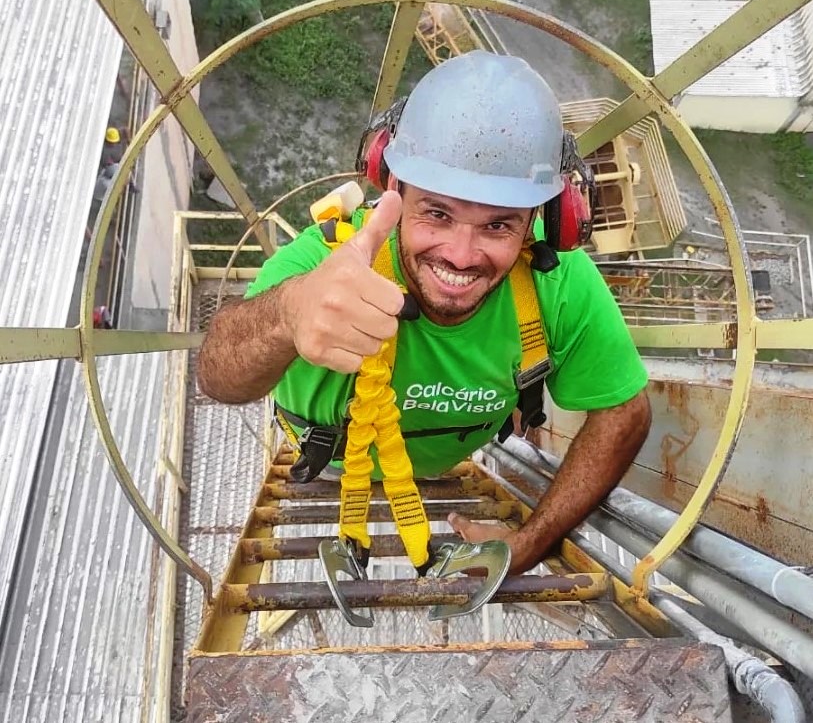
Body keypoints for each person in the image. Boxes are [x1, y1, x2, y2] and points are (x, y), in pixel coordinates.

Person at [197, 51, 651, 575]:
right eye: (437, 213)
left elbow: (625, 412)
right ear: (394, 190)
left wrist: (533, 542)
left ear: (543, 221)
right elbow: (216, 376)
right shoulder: (329, 261)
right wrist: (287, 313)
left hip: (443, 470)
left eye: (498, 226)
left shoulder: (557, 282)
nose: (461, 254)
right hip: (329, 467)